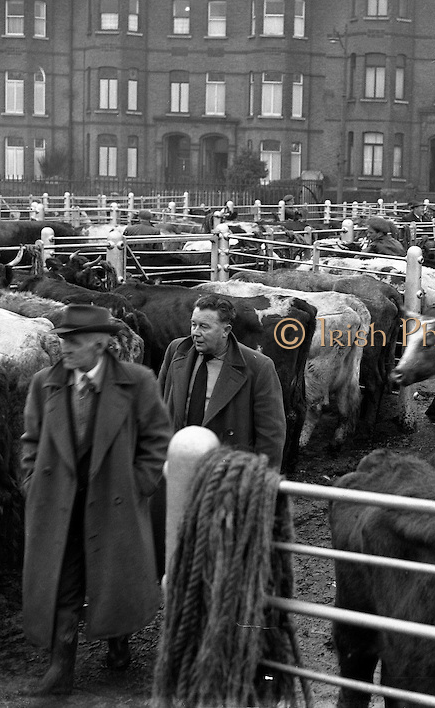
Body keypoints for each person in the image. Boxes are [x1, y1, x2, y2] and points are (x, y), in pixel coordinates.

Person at [21, 305, 171, 695]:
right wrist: (32, 481)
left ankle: (118, 640)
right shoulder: (45, 383)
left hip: (113, 501)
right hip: (59, 504)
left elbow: (157, 439)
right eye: (63, 340)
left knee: (111, 578)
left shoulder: (137, 382)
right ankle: (60, 667)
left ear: (101, 344)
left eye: (73, 340)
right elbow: (32, 441)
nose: (64, 348)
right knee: (64, 583)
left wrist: (139, 483)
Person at [158, 294, 287, 465]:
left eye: (204, 327)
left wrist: (261, 484)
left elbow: (271, 436)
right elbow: (157, 407)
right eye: (193, 324)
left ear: (226, 331)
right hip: (178, 464)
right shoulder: (176, 351)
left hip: (225, 474)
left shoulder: (258, 367)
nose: (195, 333)